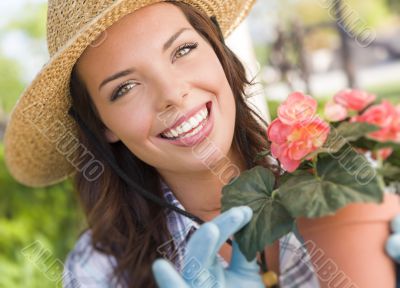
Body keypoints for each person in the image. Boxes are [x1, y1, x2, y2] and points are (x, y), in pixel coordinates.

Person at [3, 1, 400, 287]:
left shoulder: (350, 174)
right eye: (125, 88)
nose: (171, 94)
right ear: (102, 124)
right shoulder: (97, 271)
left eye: (183, 50)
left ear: (218, 51)